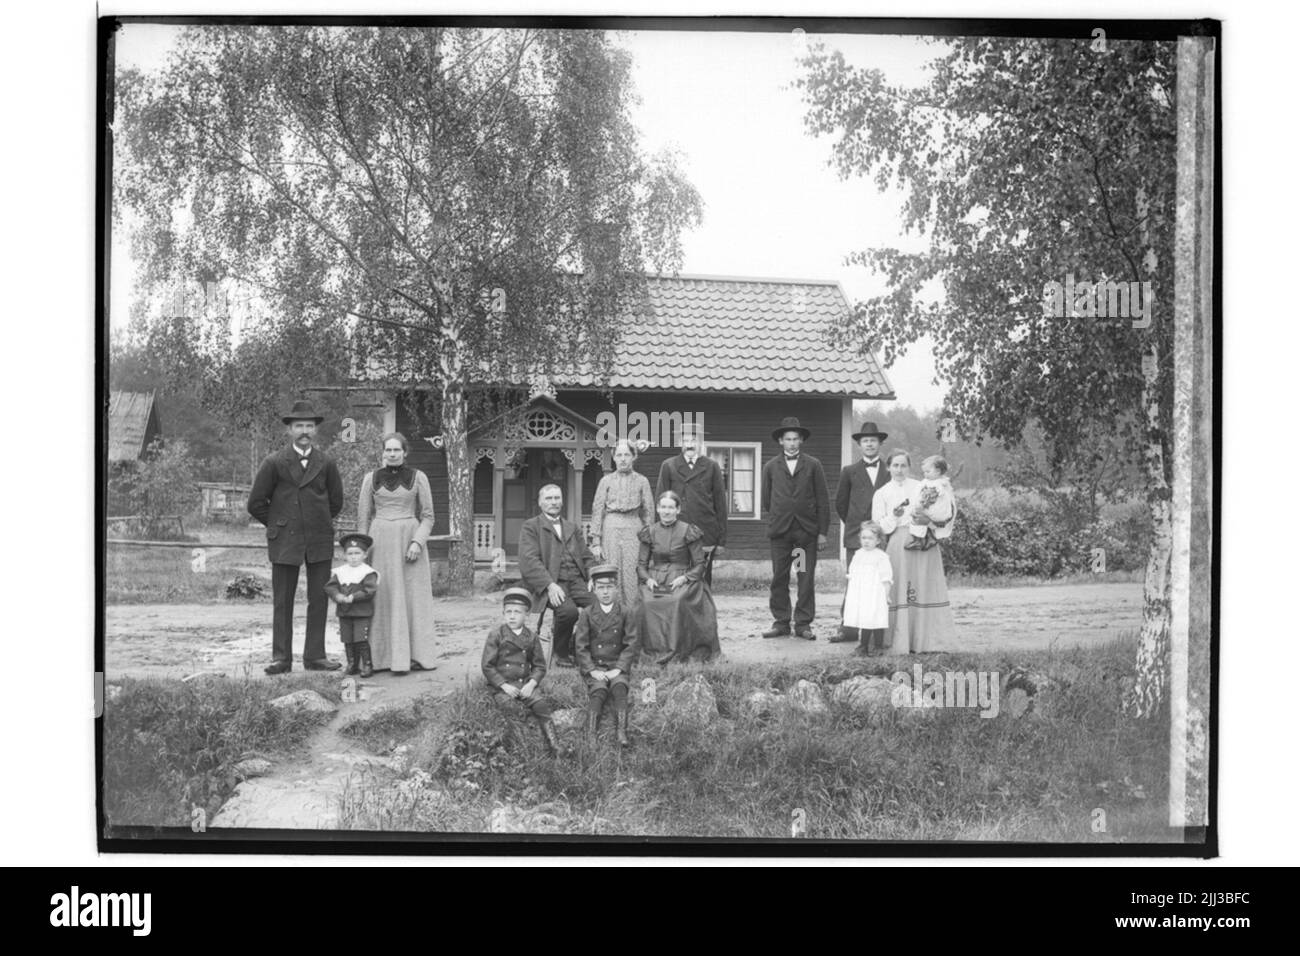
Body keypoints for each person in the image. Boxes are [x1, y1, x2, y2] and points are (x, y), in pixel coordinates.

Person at [247, 399, 344, 674]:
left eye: (309, 426)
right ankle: (281, 658)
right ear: (289, 430)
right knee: (283, 600)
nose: (304, 431)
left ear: (316, 431)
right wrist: (278, 524)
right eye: (299, 425)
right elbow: (255, 503)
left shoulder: (326, 463)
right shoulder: (274, 462)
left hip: (318, 538)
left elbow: (336, 502)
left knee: (319, 598)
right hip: (285, 540)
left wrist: (316, 521)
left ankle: (315, 657)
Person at [357, 433, 438, 674]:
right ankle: (381, 658)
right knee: (382, 597)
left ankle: (416, 657)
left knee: (412, 598)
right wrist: (361, 550)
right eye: (388, 450)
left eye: (396, 450)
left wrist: (417, 542)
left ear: (405, 452)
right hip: (380, 542)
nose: (392, 454)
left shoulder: (418, 477)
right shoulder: (370, 478)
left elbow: (428, 516)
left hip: (409, 543)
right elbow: (363, 518)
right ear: (382, 452)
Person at [873, 450, 958, 653]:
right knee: (900, 589)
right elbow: (880, 528)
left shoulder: (923, 486)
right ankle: (900, 640)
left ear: (909, 467)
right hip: (898, 542)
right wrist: (894, 516)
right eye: (895, 465)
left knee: (924, 586)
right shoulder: (882, 493)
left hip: (924, 541)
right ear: (888, 468)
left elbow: (945, 508)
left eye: (903, 465)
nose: (899, 470)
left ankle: (927, 640)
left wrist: (929, 520)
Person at [760, 416, 830, 640]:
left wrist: (821, 533)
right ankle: (781, 622)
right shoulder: (771, 467)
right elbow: (766, 500)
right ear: (780, 441)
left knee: (804, 576)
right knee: (779, 577)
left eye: (795, 439)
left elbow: (822, 500)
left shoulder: (813, 465)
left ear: (801, 441)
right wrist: (783, 514)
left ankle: (802, 623)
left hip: (803, 534)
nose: (791, 443)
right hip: (781, 534)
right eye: (787, 439)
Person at [636, 490, 720, 665]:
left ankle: (678, 651)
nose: (666, 511)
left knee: (677, 601)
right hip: (656, 579)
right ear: (658, 509)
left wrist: (685, 578)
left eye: (671, 508)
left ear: (678, 510)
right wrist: (648, 579)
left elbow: (699, 564)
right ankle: (652, 650)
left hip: (682, 578)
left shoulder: (688, 531)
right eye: (663, 507)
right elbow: (641, 565)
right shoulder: (649, 532)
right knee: (646, 602)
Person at [517, 483, 596, 668]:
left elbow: (586, 556)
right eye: (549, 498)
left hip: (577, 581)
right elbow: (529, 561)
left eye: (557, 498)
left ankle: (575, 644)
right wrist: (550, 585)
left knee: (601, 606)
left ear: (562, 501)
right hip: (552, 583)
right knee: (568, 613)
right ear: (540, 503)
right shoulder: (531, 527)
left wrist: (594, 576)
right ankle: (561, 653)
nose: (553, 502)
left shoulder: (572, 527)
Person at [481, 587, 561, 756]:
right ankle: (522, 746)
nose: (512, 616)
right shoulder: (496, 635)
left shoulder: (531, 637)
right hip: (503, 687)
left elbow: (539, 666)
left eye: (517, 612)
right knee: (511, 707)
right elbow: (487, 666)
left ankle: (554, 744)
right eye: (508, 611)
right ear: (503, 613)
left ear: (527, 615)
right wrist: (503, 685)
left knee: (541, 705)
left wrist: (531, 684)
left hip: (524, 684)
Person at [833, 421, 892, 642]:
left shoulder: (890, 470)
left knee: (881, 583)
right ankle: (848, 628)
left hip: (884, 537)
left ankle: (879, 630)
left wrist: (881, 530)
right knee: (855, 581)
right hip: (857, 537)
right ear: (859, 444)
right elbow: (841, 504)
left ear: (880, 443)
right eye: (865, 441)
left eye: (873, 441)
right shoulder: (849, 472)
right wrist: (858, 529)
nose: (869, 444)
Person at [574, 564, 641, 747]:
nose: (605, 592)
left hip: (616, 664)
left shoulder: (626, 612)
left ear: (617, 589)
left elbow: (631, 644)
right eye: (601, 587)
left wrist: (619, 668)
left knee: (620, 687)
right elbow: (581, 646)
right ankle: (591, 735)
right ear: (594, 590)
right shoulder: (587, 614)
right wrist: (591, 670)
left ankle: (622, 733)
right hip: (596, 665)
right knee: (599, 690)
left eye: (609, 587)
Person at [655, 423, 728, 586]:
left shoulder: (711, 466)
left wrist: (721, 540)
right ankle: (679, 610)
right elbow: (659, 502)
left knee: (702, 577)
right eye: (685, 440)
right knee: (676, 576)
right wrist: (658, 534)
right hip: (675, 532)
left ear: (700, 442)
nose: (689, 444)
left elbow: (721, 505)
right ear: (680, 442)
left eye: (694, 440)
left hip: (705, 531)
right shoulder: (669, 465)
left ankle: (703, 610)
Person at [590, 439, 655, 607]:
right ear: (614, 457)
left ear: (634, 457)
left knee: (632, 571)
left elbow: (648, 511)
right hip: (611, 526)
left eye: (627, 454)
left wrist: (649, 539)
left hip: (634, 526)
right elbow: (597, 510)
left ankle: (633, 616)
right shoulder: (606, 481)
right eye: (619, 455)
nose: (623, 459)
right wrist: (596, 542)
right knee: (611, 569)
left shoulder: (642, 481)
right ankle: (612, 613)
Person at [323, 532, 379, 678]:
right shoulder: (340, 572)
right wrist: (337, 596)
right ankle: (351, 664)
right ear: (345, 555)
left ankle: (367, 665)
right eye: (350, 553)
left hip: (361, 612)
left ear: (365, 555)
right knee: (347, 639)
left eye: (357, 553)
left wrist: (354, 597)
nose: (353, 557)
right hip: (345, 612)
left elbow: (370, 590)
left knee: (361, 639)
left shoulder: (367, 572)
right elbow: (330, 587)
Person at [841, 521, 892, 656]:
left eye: (870, 538)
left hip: (876, 594)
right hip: (862, 594)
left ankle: (878, 646)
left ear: (878, 540)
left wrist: (886, 595)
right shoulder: (858, 555)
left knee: (876, 619)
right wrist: (851, 594)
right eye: (864, 538)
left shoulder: (881, 557)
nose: (866, 541)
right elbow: (852, 575)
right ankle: (863, 646)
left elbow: (886, 578)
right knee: (865, 619)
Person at [906, 455, 955, 551]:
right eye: (924, 472)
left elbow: (930, 496)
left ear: (938, 472)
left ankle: (919, 540)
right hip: (931, 507)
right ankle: (926, 538)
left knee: (917, 517)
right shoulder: (929, 481)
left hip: (937, 509)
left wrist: (920, 505)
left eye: (928, 472)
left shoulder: (939, 484)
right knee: (917, 516)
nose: (925, 474)